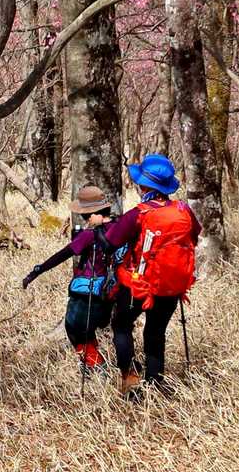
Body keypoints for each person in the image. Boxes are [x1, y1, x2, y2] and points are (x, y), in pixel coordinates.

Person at [103, 154, 200, 394]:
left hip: (138, 285)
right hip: (171, 286)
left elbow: (110, 242)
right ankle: (156, 383)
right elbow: (194, 235)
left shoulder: (138, 214)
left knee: (121, 325)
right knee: (156, 331)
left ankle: (130, 379)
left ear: (145, 186)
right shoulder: (183, 210)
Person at [19, 185, 119, 378]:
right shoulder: (119, 227)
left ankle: (97, 368)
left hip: (87, 291)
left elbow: (62, 254)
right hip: (113, 290)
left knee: (74, 329)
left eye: (83, 214)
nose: (83, 218)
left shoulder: (90, 235)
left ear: (91, 214)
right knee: (87, 330)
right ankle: (94, 366)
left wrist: (36, 271)